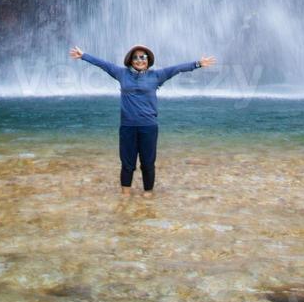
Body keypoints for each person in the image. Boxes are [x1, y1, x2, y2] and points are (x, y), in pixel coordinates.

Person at [70, 44, 216, 197]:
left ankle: (148, 193)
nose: (140, 60)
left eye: (143, 57)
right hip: (127, 126)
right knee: (127, 163)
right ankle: (125, 194)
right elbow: (103, 64)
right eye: (136, 57)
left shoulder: (156, 76)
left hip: (149, 126)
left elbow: (176, 68)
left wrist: (198, 64)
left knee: (147, 163)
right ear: (130, 60)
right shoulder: (121, 73)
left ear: (148, 59)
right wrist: (83, 55)